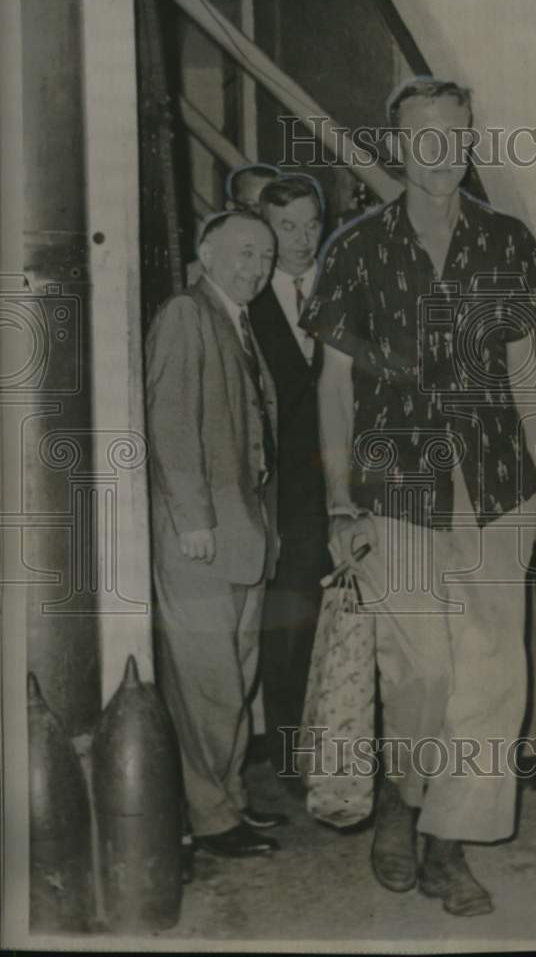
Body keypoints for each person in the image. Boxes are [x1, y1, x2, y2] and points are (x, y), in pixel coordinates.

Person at [300, 77, 536, 915]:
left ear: (470, 136)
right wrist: (339, 502)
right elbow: (335, 386)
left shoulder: (507, 242)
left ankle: (448, 845)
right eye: (423, 137)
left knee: (491, 679)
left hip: (496, 489)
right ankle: (405, 804)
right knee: (420, 674)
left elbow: (525, 371)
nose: (440, 151)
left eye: (454, 133)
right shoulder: (356, 247)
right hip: (394, 490)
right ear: (398, 145)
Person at [145, 210, 288, 859]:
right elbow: (169, 422)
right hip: (201, 538)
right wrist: (194, 518)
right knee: (209, 684)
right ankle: (209, 818)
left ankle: (226, 801)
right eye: (243, 251)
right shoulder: (186, 313)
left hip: (246, 535)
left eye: (265, 257)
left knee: (237, 678)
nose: (254, 267)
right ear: (206, 249)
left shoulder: (239, 321)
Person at [249, 175, 330, 781]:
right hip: (284, 498)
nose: (302, 240)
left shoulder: (343, 286)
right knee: (289, 626)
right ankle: (288, 757)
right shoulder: (246, 302)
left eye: (311, 224)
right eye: (287, 227)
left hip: (347, 487)